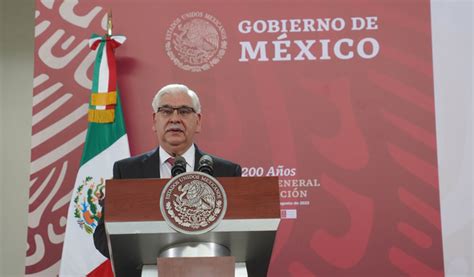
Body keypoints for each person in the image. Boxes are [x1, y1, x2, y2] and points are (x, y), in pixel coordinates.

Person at [93, 84, 242, 258]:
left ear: (198, 121)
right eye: (166, 111)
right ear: (154, 120)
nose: (175, 119)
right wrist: (143, 259)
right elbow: (104, 236)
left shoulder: (227, 173)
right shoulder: (127, 172)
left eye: (184, 111)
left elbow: (238, 236)